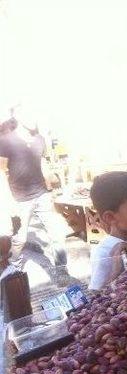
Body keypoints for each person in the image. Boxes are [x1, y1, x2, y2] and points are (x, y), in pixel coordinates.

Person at [0, 105, 68, 273]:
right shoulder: (6, 141)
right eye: (28, 114)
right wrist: (9, 203)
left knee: (57, 233)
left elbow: (42, 163)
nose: (33, 118)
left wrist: (50, 187)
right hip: (20, 199)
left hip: (42, 195)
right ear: (18, 117)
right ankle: (12, 269)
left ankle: (62, 272)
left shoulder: (40, 139)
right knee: (20, 239)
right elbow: (1, 170)